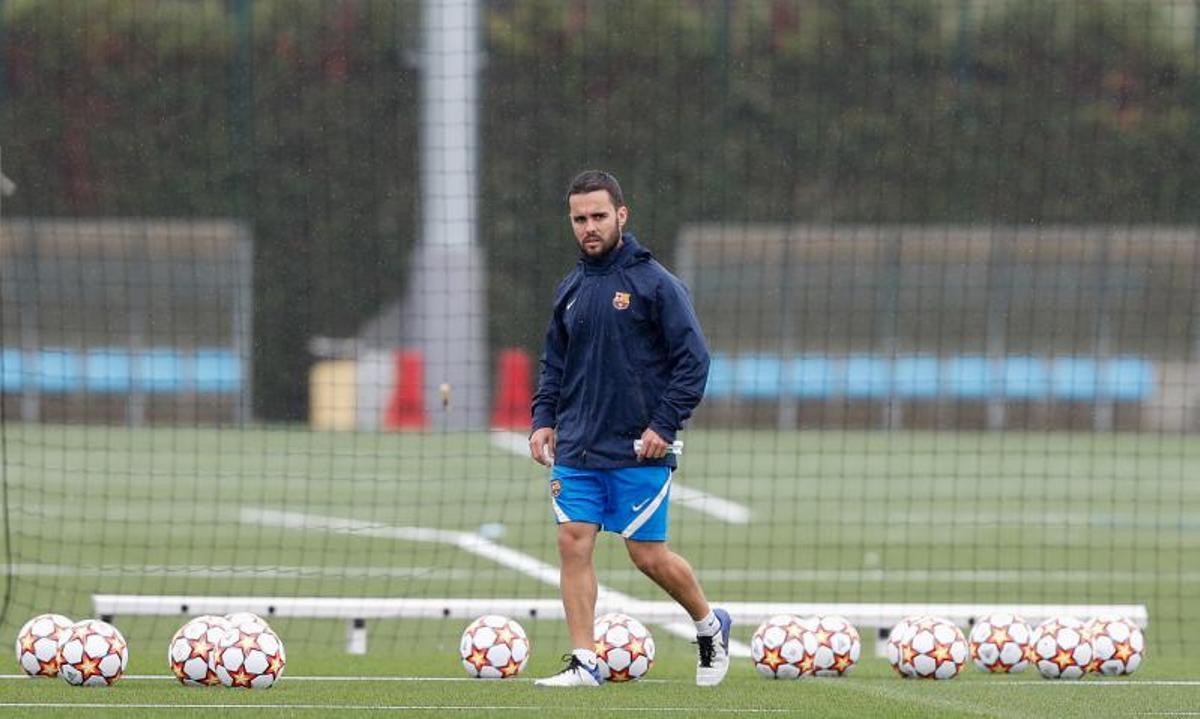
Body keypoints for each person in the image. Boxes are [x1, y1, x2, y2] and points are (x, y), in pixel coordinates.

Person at [528, 170, 731, 688]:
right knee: (573, 541)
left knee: (648, 556)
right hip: (576, 446)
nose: (589, 227)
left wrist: (664, 423)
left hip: (639, 448)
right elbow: (555, 363)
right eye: (580, 219)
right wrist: (543, 419)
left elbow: (694, 361)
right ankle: (584, 661)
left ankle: (709, 624)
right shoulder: (570, 289)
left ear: (622, 215)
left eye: (599, 216)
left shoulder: (655, 284)